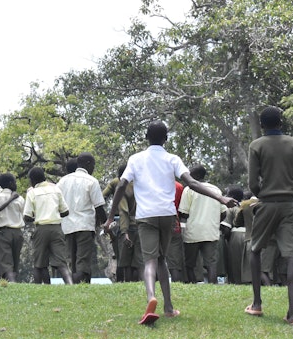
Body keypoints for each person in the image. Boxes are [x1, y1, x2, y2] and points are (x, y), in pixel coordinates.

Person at [104, 120, 236, 325]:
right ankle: (168, 308)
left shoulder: (136, 159)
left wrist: (110, 216)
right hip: (167, 215)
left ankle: (151, 298)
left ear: (146, 138)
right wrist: (221, 198)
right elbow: (191, 182)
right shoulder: (172, 159)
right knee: (162, 259)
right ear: (166, 139)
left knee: (149, 261)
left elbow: (121, 184)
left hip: (146, 215)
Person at [244, 106, 293, 326]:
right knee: (291, 256)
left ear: (262, 125)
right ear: (281, 122)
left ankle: (256, 303)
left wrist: (263, 195)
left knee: (255, 249)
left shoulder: (257, 146)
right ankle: (292, 314)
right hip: (290, 205)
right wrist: (291, 195)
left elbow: (253, 183)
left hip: (267, 203)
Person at [57, 152, 107, 283]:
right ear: (88, 164)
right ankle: (80, 288)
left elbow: (56, 204)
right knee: (83, 262)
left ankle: (73, 288)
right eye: (93, 165)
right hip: (84, 226)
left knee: (72, 261)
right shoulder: (91, 181)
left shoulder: (62, 181)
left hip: (67, 226)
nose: (93, 168)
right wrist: (106, 223)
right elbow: (99, 207)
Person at [23, 166, 74, 284]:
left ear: (32, 180)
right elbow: (66, 211)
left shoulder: (32, 193)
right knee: (61, 262)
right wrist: (54, 214)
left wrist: (37, 216)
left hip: (41, 228)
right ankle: (70, 285)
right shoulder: (56, 190)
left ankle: (41, 287)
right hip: (56, 228)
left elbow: (26, 216)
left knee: (39, 263)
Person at [178, 164, 225, 284]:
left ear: (196, 176)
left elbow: (183, 213)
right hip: (211, 231)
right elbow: (223, 212)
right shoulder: (216, 190)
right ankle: (213, 286)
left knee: (190, 263)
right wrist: (213, 221)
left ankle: (193, 284)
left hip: (193, 231)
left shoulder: (189, 189)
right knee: (211, 263)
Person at [0, 173, 26, 281]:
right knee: (15, 261)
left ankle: (12, 284)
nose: (16, 184)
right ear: (10, 183)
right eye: (14, 182)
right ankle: (14, 281)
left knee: (6, 262)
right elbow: (24, 214)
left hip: (2, 232)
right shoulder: (19, 198)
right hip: (18, 232)